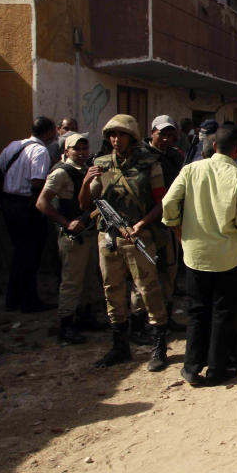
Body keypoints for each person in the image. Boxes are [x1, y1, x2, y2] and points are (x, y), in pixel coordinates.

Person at [162, 126, 237, 386]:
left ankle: (192, 367)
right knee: (223, 312)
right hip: (228, 258)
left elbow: (168, 204)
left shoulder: (190, 170)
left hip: (195, 255)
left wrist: (178, 228)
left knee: (197, 311)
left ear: (214, 146)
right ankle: (217, 368)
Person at [79, 114, 170, 371]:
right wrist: (86, 182)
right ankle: (120, 346)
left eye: (121, 135)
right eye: (112, 135)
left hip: (138, 236)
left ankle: (158, 346)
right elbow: (85, 205)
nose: (116, 140)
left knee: (148, 290)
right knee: (112, 291)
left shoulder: (150, 163)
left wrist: (141, 225)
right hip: (108, 237)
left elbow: (161, 202)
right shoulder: (100, 164)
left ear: (132, 137)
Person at [35, 133, 102, 343]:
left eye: (84, 148)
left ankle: (85, 317)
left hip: (88, 232)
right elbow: (42, 203)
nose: (82, 153)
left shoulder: (85, 170)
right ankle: (66, 326)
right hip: (73, 237)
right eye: (77, 149)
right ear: (67, 151)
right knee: (71, 281)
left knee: (89, 278)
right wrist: (66, 223)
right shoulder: (61, 173)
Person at [0, 116, 57, 312]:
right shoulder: (40, 151)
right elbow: (37, 181)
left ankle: (13, 299)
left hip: (9, 205)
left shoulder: (14, 145)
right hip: (27, 206)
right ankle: (29, 301)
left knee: (20, 254)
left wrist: (1, 198)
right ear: (48, 132)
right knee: (30, 255)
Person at [136, 115, 185, 336]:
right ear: (152, 132)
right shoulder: (140, 158)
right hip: (147, 223)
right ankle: (139, 324)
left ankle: (166, 316)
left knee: (170, 272)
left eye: (170, 134)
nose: (165, 139)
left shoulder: (176, 156)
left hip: (171, 223)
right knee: (144, 277)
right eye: (161, 134)